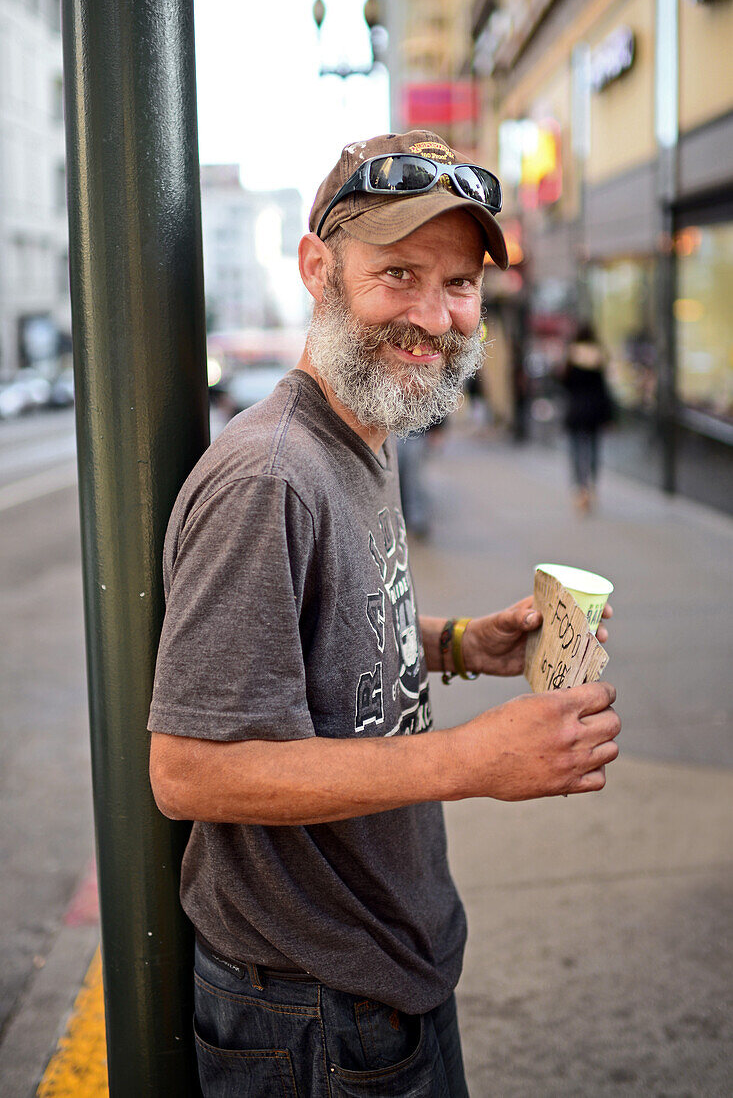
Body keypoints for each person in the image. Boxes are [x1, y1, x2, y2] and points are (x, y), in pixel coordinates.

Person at [148, 130, 619, 1098]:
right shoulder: (269, 475)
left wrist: (453, 644)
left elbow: (315, 635)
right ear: (317, 269)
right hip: (310, 1013)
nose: (433, 317)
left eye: (456, 285)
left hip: (375, 977)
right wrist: (474, 758)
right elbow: (190, 767)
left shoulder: (367, 428)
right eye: (397, 273)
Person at [561, 321, 614, 513]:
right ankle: (591, 485)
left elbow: (564, 383)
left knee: (576, 451)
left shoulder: (572, 355)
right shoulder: (599, 355)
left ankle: (580, 487)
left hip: (576, 410)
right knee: (593, 450)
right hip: (594, 412)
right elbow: (604, 388)